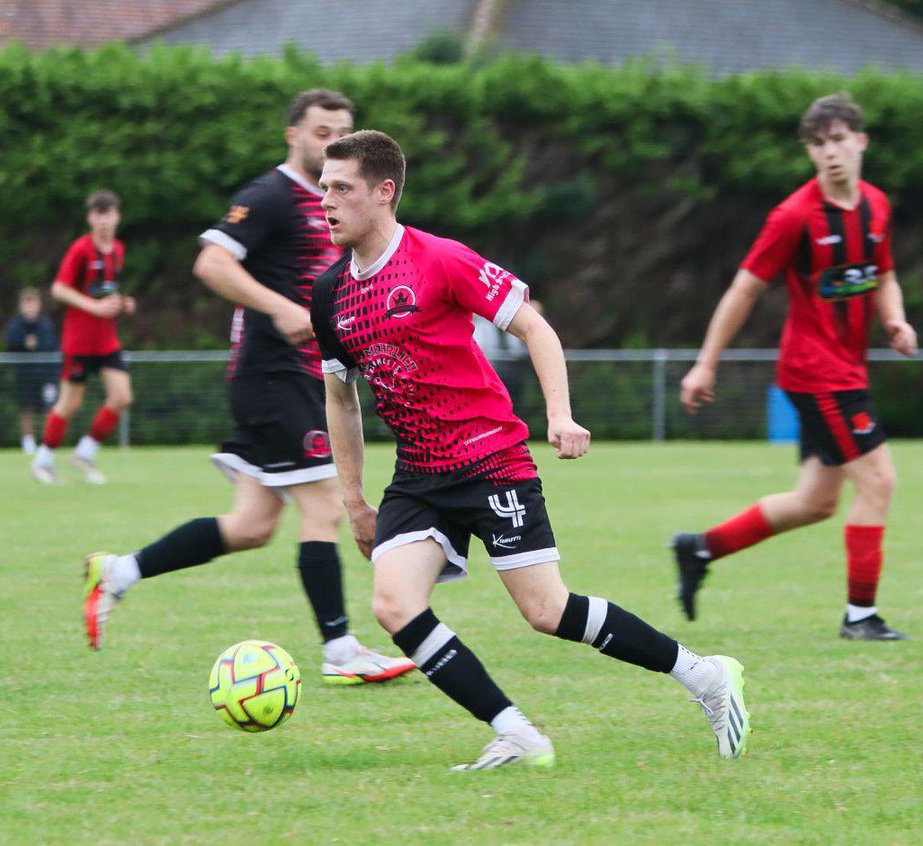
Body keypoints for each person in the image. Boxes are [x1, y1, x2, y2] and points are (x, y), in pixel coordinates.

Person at [311, 130, 749, 770]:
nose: (327, 201)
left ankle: (705, 676)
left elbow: (533, 326)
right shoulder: (329, 295)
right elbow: (340, 399)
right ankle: (516, 733)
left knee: (546, 611)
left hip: (490, 459)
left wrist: (561, 414)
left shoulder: (439, 259)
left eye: (341, 189)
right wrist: (352, 499)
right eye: (323, 187)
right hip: (418, 475)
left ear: (384, 193)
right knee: (393, 604)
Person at [81, 90, 415, 685]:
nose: (331, 143)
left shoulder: (330, 203)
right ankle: (340, 650)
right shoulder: (270, 196)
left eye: (341, 132)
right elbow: (211, 263)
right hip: (272, 375)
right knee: (325, 506)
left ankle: (120, 573)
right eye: (320, 131)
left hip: (296, 376)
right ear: (292, 134)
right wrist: (281, 309)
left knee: (251, 525)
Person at [673, 93, 918, 641]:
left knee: (815, 502)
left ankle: (699, 548)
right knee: (880, 481)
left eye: (838, 140)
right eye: (817, 144)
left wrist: (895, 321)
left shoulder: (876, 205)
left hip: (848, 372)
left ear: (861, 141)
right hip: (818, 375)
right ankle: (861, 618)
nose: (829, 153)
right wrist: (704, 365)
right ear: (809, 151)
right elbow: (744, 289)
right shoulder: (794, 216)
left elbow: (885, 273)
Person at [31, 189, 135, 484]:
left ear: (117, 216)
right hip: (79, 341)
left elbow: (105, 290)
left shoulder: (117, 250)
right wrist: (95, 307)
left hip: (107, 340)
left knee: (122, 397)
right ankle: (43, 460)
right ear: (90, 218)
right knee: (70, 403)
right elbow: (59, 289)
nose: (103, 221)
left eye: (108, 214)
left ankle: (84, 453)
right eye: (98, 215)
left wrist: (122, 303)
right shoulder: (81, 250)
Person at [5, 287, 59, 455]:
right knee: (26, 407)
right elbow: (10, 346)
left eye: (32, 302)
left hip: (46, 373)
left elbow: (53, 346)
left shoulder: (46, 325)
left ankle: (47, 441)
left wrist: (38, 345)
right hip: (25, 374)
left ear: (38, 304)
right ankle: (28, 441)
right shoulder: (15, 326)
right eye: (26, 303)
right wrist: (24, 344)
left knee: (49, 407)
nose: (29, 307)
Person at [472, 298, 542, 418]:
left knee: (516, 406)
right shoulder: (483, 325)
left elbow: (520, 348)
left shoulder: (515, 323)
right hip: (491, 374)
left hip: (514, 373)